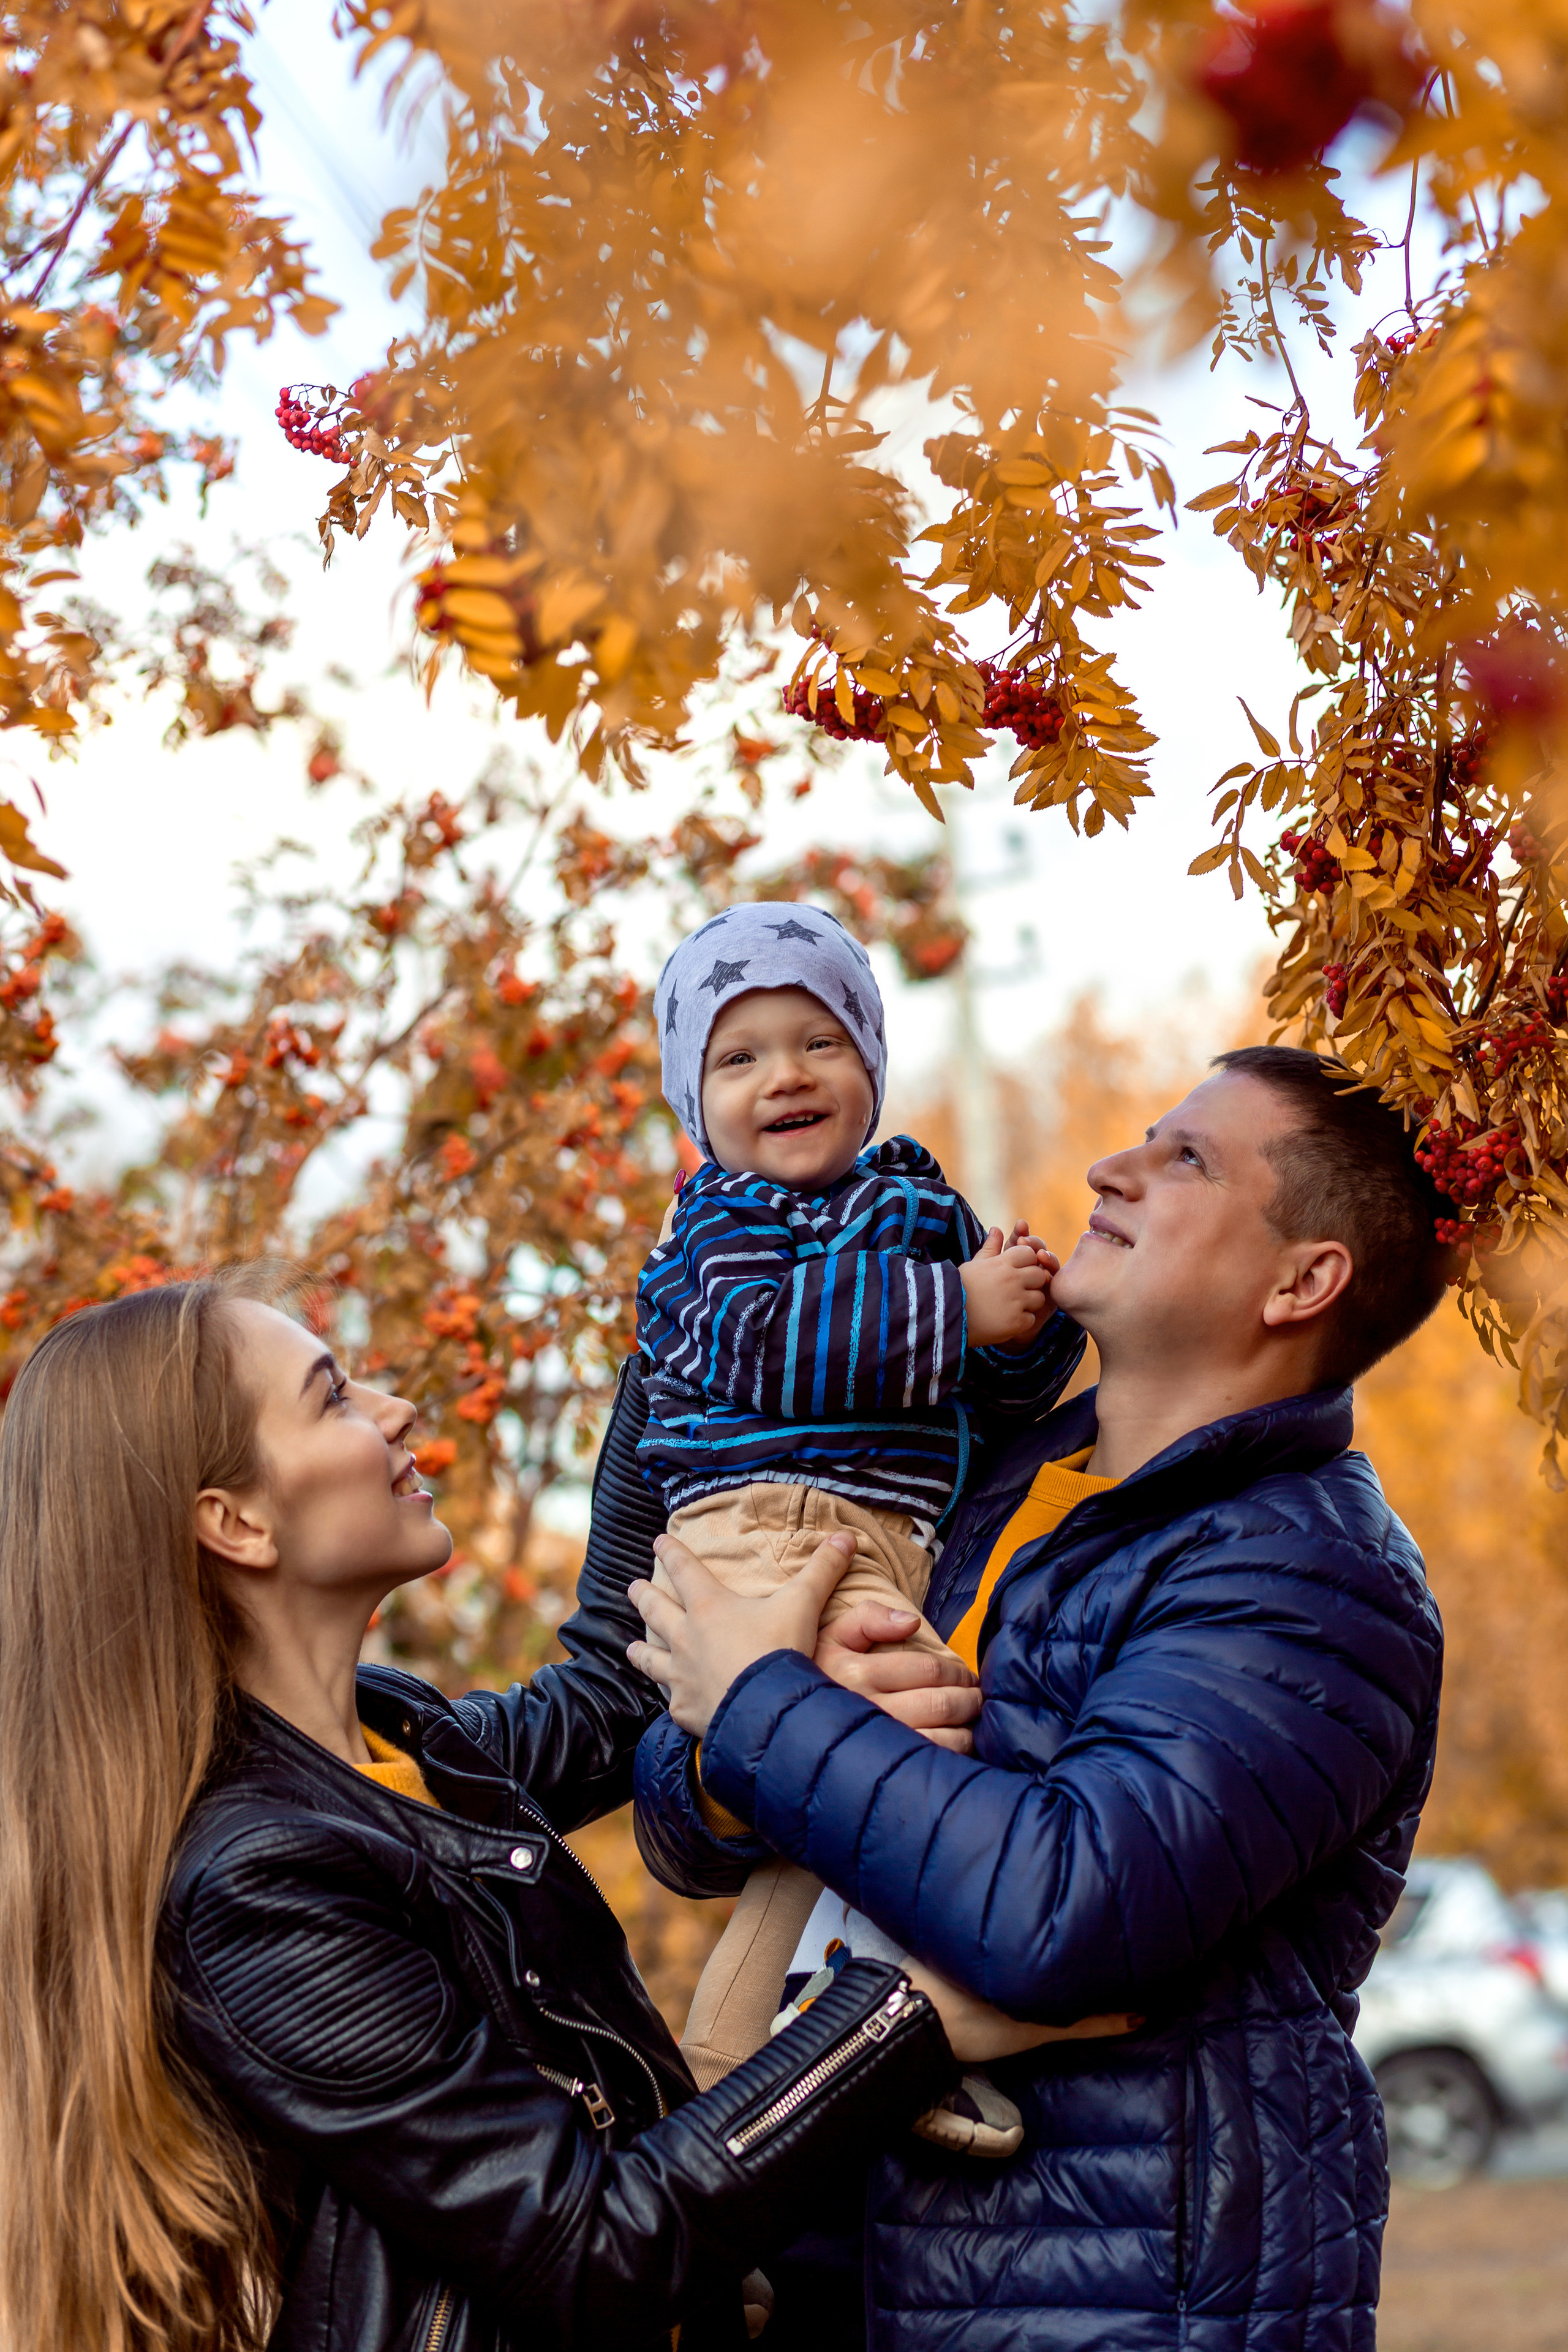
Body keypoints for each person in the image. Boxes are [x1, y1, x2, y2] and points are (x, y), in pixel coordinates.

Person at [0, 1268, 1066, 2352]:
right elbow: (591, 2250)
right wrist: (905, 2016)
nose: (394, 1407)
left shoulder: (407, 1745)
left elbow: (611, 1694)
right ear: (235, 1524)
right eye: (333, 1396)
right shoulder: (258, 1880)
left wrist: (688, 1354)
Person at [628, 1046, 1449, 2352]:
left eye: (1185, 1159)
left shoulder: (1307, 1578)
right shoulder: (985, 1487)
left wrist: (767, 1703)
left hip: (1103, 2301)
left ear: (1301, 1280)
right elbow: (683, 1821)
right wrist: (755, 1735)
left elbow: (1061, 1904)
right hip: (863, 2270)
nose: (1106, 1167)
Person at [638, 902, 1084, 2144]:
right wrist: (955, 1304)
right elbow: (779, 1346)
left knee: (857, 1811)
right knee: (907, 1775)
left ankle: (787, 2077)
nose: (782, 1075)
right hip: (767, 1533)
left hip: (869, 1536)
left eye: (816, 1042)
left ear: (871, 1069)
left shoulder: (912, 1202)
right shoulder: (719, 1225)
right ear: (696, 1104)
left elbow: (993, 1393)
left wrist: (1030, 1316)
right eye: (737, 1058)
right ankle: (870, 2041)